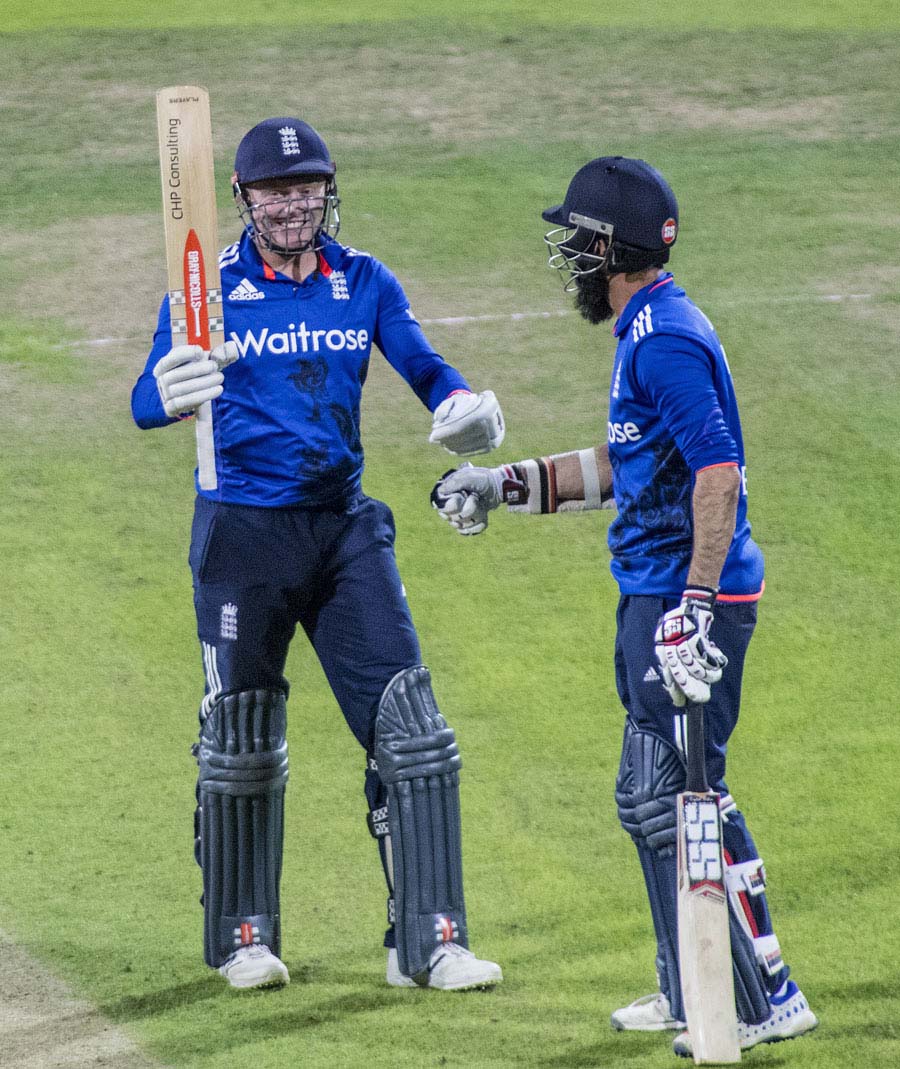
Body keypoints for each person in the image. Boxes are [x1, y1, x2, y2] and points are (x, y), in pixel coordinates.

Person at [431, 156, 818, 1055]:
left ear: (611, 248)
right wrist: (505, 483)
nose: (567, 257)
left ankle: (765, 1001)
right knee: (655, 797)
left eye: (576, 241)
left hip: (688, 601)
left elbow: (719, 472)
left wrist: (693, 605)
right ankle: (692, 987)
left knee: (691, 795)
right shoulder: (642, 330)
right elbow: (629, 465)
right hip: (658, 594)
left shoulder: (666, 339)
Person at [131, 116, 505, 993]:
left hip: (342, 528)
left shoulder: (363, 279)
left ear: (328, 191)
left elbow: (422, 364)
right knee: (242, 740)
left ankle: (430, 940)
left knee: (412, 732)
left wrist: (461, 406)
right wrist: (166, 387)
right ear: (244, 199)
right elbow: (148, 396)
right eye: (274, 191)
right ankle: (242, 936)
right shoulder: (205, 291)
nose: (293, 206)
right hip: (242, 535)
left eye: (306, 188)